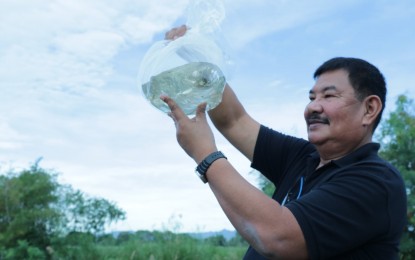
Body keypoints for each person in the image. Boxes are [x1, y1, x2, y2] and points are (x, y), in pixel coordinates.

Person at [161, 25, 407, 259]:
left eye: (329, 95)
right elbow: (233, 121)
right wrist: (199, 60)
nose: (313, 106)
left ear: (369, 109)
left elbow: (277, 237)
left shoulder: (376, 182)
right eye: (311, 97)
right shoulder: (302, 156)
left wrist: (206, 156)